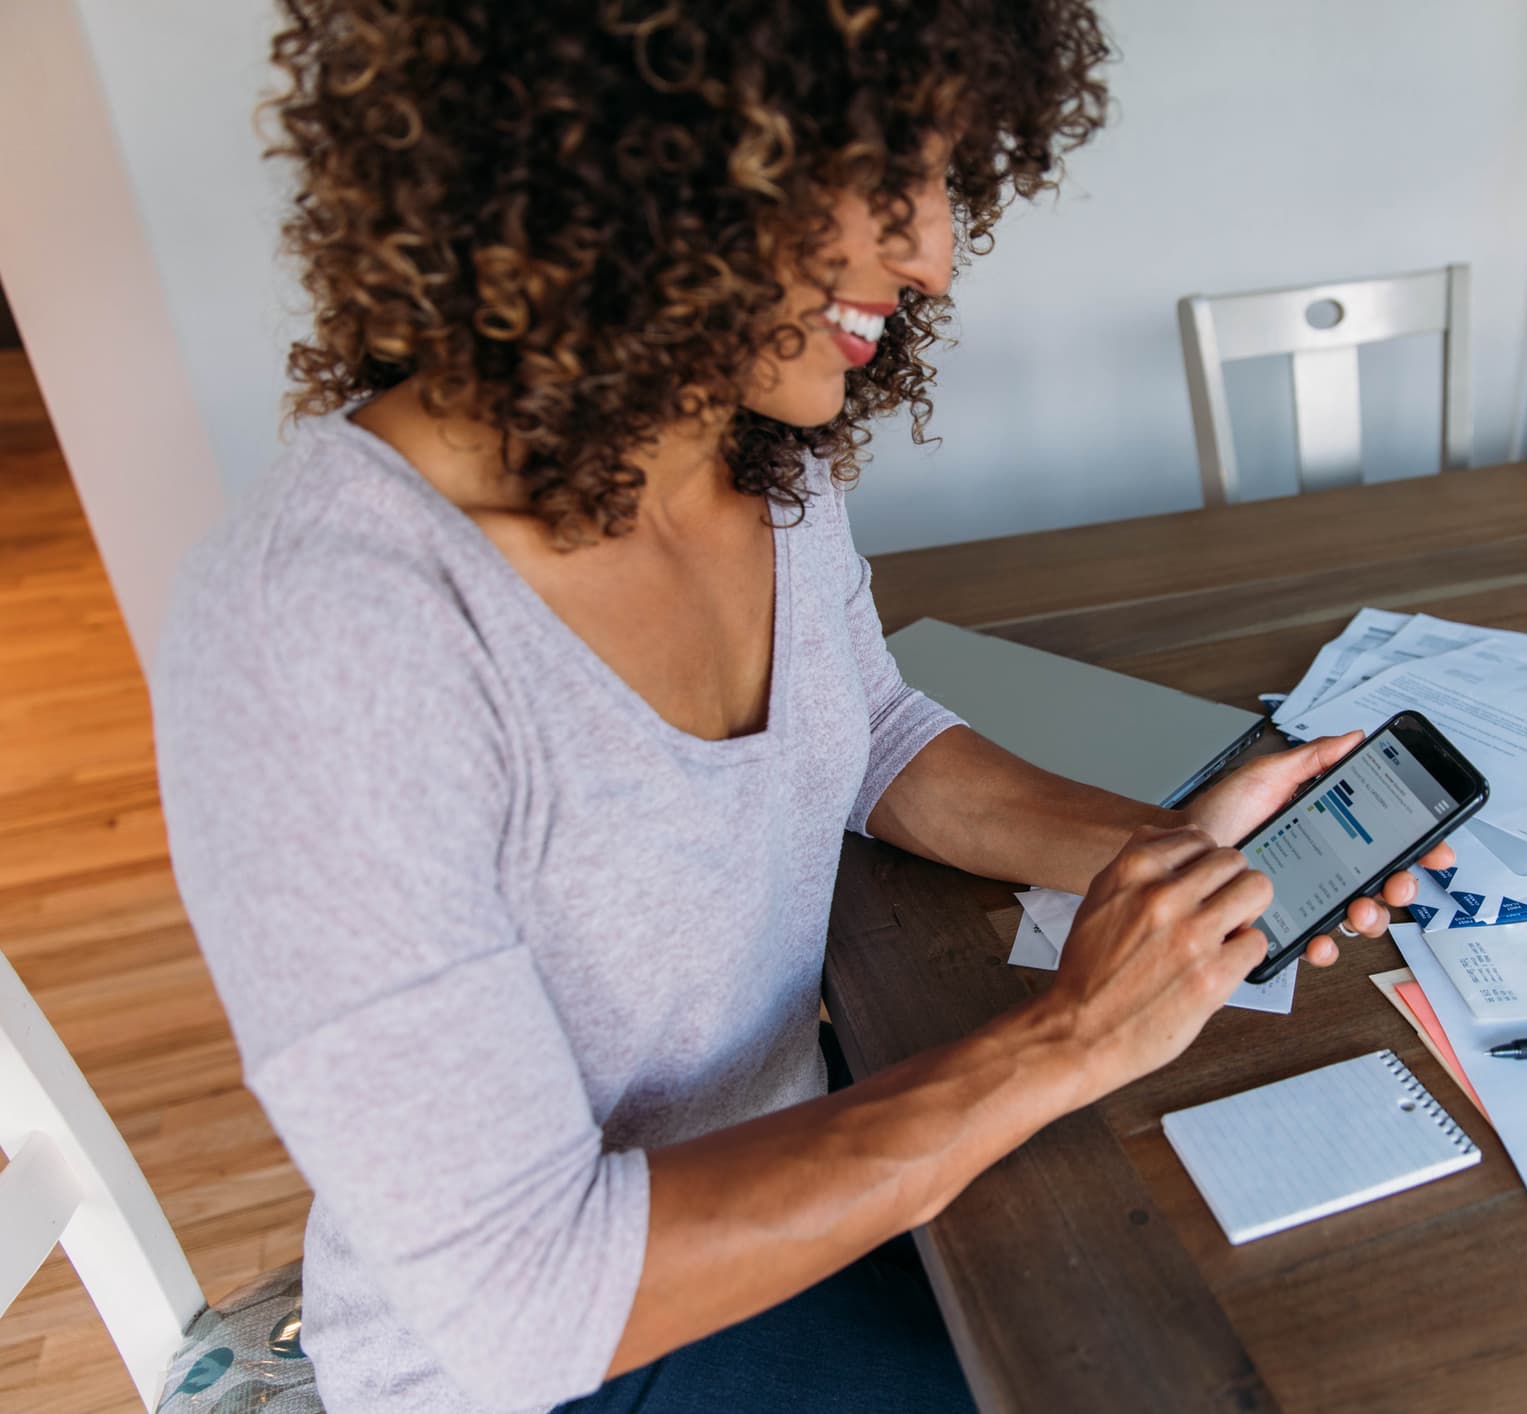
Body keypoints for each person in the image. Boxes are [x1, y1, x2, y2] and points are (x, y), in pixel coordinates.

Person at [152, 3, 1453, 1412]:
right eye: (876, 167)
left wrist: (1168, 850)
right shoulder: (329, 633)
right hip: (560, 1361)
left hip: (807, 1168)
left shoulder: (754, 455)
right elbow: (528, 1301)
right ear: (628, 136)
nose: (937, 254)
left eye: (947, 172)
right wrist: (1069, 1037)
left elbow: (872, 736)